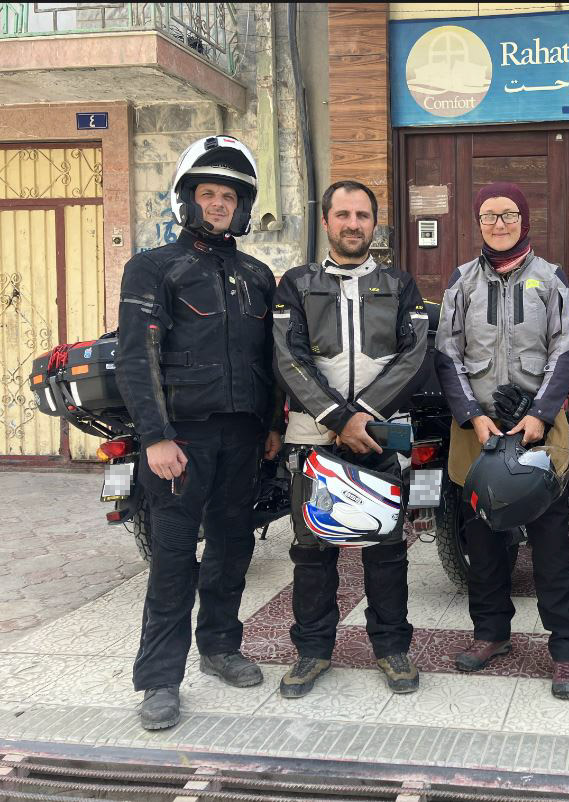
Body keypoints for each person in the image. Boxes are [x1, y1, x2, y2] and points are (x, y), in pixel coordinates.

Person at [116, 135, 283, 731]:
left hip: (243, 438)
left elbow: (271, 360)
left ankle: (219, 646)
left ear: (242, 207)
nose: (218, 204)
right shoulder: (153, 267)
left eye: (229, 196)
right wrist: (155, 437)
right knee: (172, 558)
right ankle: (160, 679)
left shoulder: (258, 275)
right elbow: (137, 357)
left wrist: (271, 426)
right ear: (187, 198)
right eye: (208, 193)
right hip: (180, 440)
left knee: (233, 547)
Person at [435, 181, 569, 700]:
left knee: (552, 547)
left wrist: (541, 415)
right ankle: (490, 633)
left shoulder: (551, 279)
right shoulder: (461, 281)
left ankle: (567, 650)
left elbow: (566, 349)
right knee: (483, 545)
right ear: (478, 223)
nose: (498, 224)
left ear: (524, 221)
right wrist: (472, 417)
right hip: (477, 433)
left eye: (507, 215)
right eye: (488, 215)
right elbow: (447, 353)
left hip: (538, 431)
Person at [272, 180, 428, 698]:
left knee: (387, 550)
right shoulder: (295, 284)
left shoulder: (400, 284)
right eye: (343, 214)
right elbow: (287, 357)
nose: (353, 224)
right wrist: (340, 419)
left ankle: (392, 648)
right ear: (326, 222)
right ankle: (312, 651)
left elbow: (413, 355)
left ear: (374, 223)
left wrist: (363, 417)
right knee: (312, 552)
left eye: (362, 215)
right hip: (313, 435)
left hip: (381, 436)